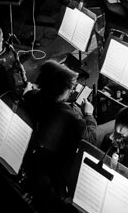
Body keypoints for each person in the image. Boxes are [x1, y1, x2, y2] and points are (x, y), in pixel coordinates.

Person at [23, 60, 97, 198]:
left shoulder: (30, 97)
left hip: (33, 154)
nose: (72, 91)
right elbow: (90, 140)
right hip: (54, 170)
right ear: (62, 90)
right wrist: (89, 115)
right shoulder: (73, 119)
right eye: (71, 88)